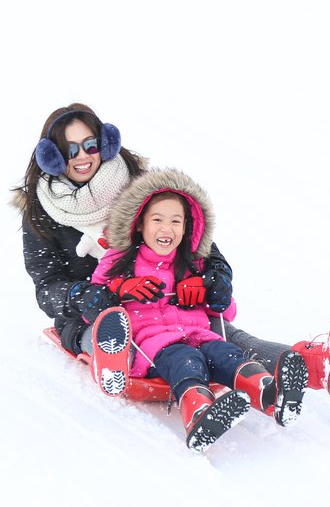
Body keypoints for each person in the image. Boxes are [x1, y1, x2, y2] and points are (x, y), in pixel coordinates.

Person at [10, 104, 330, 401]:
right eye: (71, 150)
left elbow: (199, 242)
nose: (83, 156)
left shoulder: (140, 188)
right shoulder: (42, 213)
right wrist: (88, 295)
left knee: (229, 338)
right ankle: (113, 360)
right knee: (108, 331)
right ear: (53, 158)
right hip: (93, 313)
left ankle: (317, 364)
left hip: (168, 303)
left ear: (105, 144)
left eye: (89, 145)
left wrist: (213, 277)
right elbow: (47, 284)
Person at [87, 168, 310, 451]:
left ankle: (269, 394)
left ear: (186, 227)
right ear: (140, 224)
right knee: (186, 362)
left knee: (228, 355)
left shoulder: (194, 262)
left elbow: (226, 314)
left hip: (199, 333)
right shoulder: (119, 259)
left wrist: (208, 291)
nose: (166, 229)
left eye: (175, 221)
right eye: (157, 220)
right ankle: (199, 414)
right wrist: (119, 289)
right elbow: (93, 304)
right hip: (155, 345)